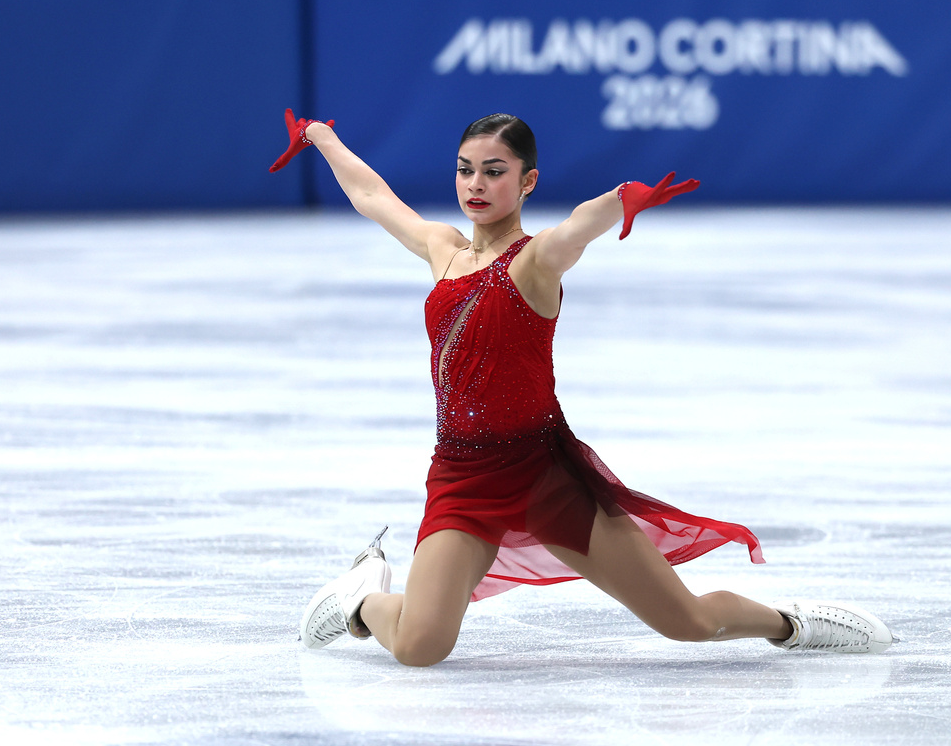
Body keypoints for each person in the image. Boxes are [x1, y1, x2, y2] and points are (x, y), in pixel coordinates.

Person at [270, 111, 894, 666]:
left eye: (494, 171)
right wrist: (322, 137)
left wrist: (621, 200)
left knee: (687, 622)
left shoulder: (534, 261)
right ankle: (361, 599)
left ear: (527, 182)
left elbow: (575, 229)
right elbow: (373, 197)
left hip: (545, 475)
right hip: (462, 476)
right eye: (465, 170)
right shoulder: (444, 250)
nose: (476, 185)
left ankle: (793, 624)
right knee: (419, 646)